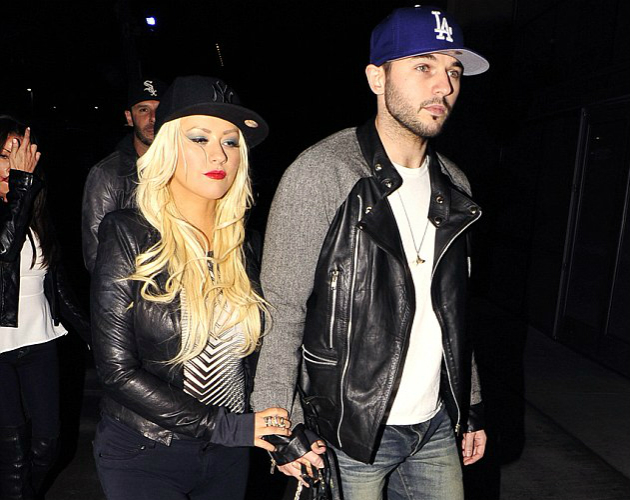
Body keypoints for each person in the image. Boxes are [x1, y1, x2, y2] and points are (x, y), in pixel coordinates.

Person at [252, 6, 489, 499]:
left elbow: (453, 309)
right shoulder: (323, 173)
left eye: (453, 70)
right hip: (346, 430)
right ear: (376, 78)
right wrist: (279, 423)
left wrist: (469, 403)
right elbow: (282, 307)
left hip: (434, 425)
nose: (443, 86)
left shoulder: (455, 184)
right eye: (422, 66)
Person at [90, 75, 291, 500]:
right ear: (167, 147)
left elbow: (259, 359)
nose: (219, 154)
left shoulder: (244, 244)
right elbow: (117, 371)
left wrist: (285, 429)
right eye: (199, 138)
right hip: (146, 451)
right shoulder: (128, 233)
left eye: (231, 142)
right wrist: (225, 426)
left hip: (230, 454)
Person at [0, 116, 90, 500]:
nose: (13, 166)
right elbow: (4, 250)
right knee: (14, 454)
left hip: (39, 342)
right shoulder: (17, 203)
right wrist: (21, 186)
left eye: (20, 156)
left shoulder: (35, 210)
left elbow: (58, 286)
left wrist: (96, 337)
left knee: (48, 444)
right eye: (4, 155)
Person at [81, 76, 166, 273]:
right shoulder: (108, 174)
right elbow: (96, 256)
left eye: (159, 109)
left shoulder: (187, 165)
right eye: (143, 110)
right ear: (129, 117)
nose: (153, 118)